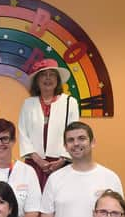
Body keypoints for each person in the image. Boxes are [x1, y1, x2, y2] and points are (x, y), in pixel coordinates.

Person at [18, 58, 80, 189]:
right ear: (37, 81)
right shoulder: (28, 104)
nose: (48, 78)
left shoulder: (70, 102)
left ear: (57, 80)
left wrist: (62, 160)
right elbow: (23, 134)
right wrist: (38, 160)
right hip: (34, 165)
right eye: (43, 75)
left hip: (61, 164)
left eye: (52, 74)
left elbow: (74, 133)